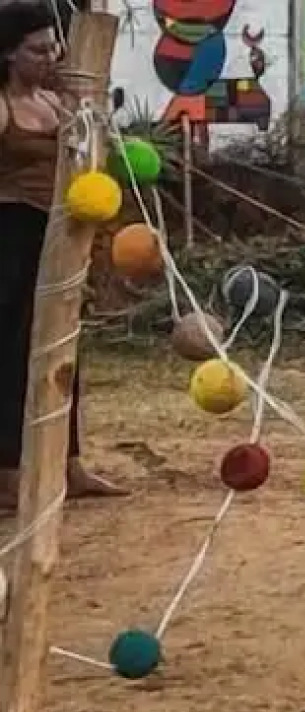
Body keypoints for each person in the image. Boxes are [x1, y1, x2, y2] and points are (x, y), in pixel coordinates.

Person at [0, 0, 125, 513]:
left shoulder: (56, 103)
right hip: (10, 235)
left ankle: (68, 462)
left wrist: (88, 111)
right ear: (8, 54)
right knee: (12, 353)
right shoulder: (3, 106)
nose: (50, 55)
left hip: (56, 234)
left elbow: (90, 157)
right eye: (37, 48)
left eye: (54, 44)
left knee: (63, 348)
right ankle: (9, 472)